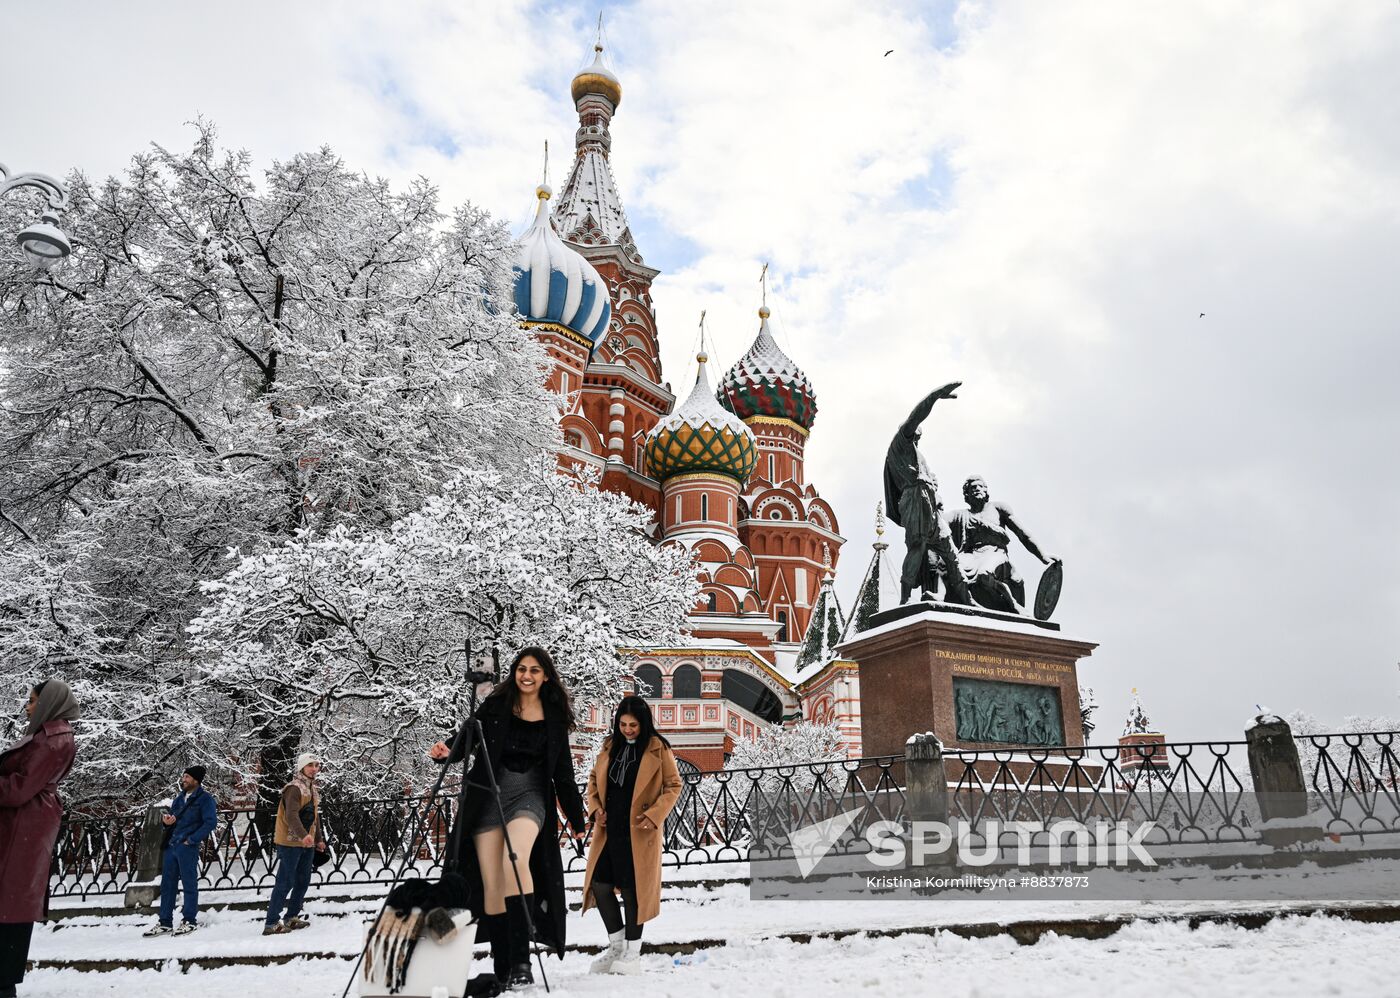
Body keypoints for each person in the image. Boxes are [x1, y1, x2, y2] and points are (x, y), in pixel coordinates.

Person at [428, 647, 586, 993]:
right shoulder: (498, 705)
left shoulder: (555, 716)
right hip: (489, 796)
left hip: (530, 796)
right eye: (521, 669)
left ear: (546, 677)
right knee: (492, 883)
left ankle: (521, 963)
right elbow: (468, 737)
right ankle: (503, 968)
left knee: (514, 858)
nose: (526, 676)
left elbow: (563, 772)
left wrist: (577, 817)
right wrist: (447, 751)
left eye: (534, 670)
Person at [581, 697, 682, 976]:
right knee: (600, 885)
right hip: (609, 829)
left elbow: (674, 784)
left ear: (643, 723)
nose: (627, 729)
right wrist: (595, 809)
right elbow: (593, 780)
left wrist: (655, 815)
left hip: (639, 830)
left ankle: (632, 954)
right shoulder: (609, 746)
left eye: (633, 725)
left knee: (632, 889)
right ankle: (616, 947)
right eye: (623, 724)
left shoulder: (658, 748)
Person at [0, 680, 79, 998]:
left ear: (49, 703)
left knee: (9, 907)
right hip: (25, 827)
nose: (28, 707)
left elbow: (19, 789)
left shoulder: (51, 741)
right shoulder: (53, 737)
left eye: (33, 701)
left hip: (21, 829)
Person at [882, 383, 971, 605]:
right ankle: (905, 599)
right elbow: (916, 416)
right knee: (918, 545)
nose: (917, 439)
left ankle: (967, 598)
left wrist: (933, 486)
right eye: (916, 434)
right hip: (915, 499)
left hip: (929, 503)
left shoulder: (916, 452)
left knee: (949, 548)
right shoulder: (900, 443)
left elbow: (930, 479)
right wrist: (934, 396)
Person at [947, 476, 1060, 615]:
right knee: (951, 568)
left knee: (984, 573)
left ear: (986, 490)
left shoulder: (998, 508)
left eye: (980, 486)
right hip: (972, 555)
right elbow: (938, 522)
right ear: (967, 494)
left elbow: (1023, 534)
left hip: (995, 553)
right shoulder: (960, 515)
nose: (977, 489)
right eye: (972, 488)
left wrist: (1043, 556)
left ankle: (1013, 605)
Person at [143, 764, 218, 936]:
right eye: (183, 776)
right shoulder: (178, 799)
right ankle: (165, 922)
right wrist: (166, 822)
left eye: (187, 777)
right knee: (167, 885)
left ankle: (189, 920)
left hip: (187, 847)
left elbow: (210, 822)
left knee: (189, 884)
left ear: (196, 780)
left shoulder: (205, 799)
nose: (183, 780)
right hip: (172, 845)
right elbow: (173, 820)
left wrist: (192, 840)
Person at [263, 752, 325, 935]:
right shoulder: (294, 788)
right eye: (310, 765)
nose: (314, 769)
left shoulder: (312, 789)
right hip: (290, 842)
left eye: (316, 765)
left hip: (307, 843)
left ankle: (291, 917)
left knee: (303, 881)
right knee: (285, 881)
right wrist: (303, 835)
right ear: (301, 767)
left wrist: (318, 839)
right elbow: (291, 815)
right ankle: (271, 923)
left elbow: (314, 817)